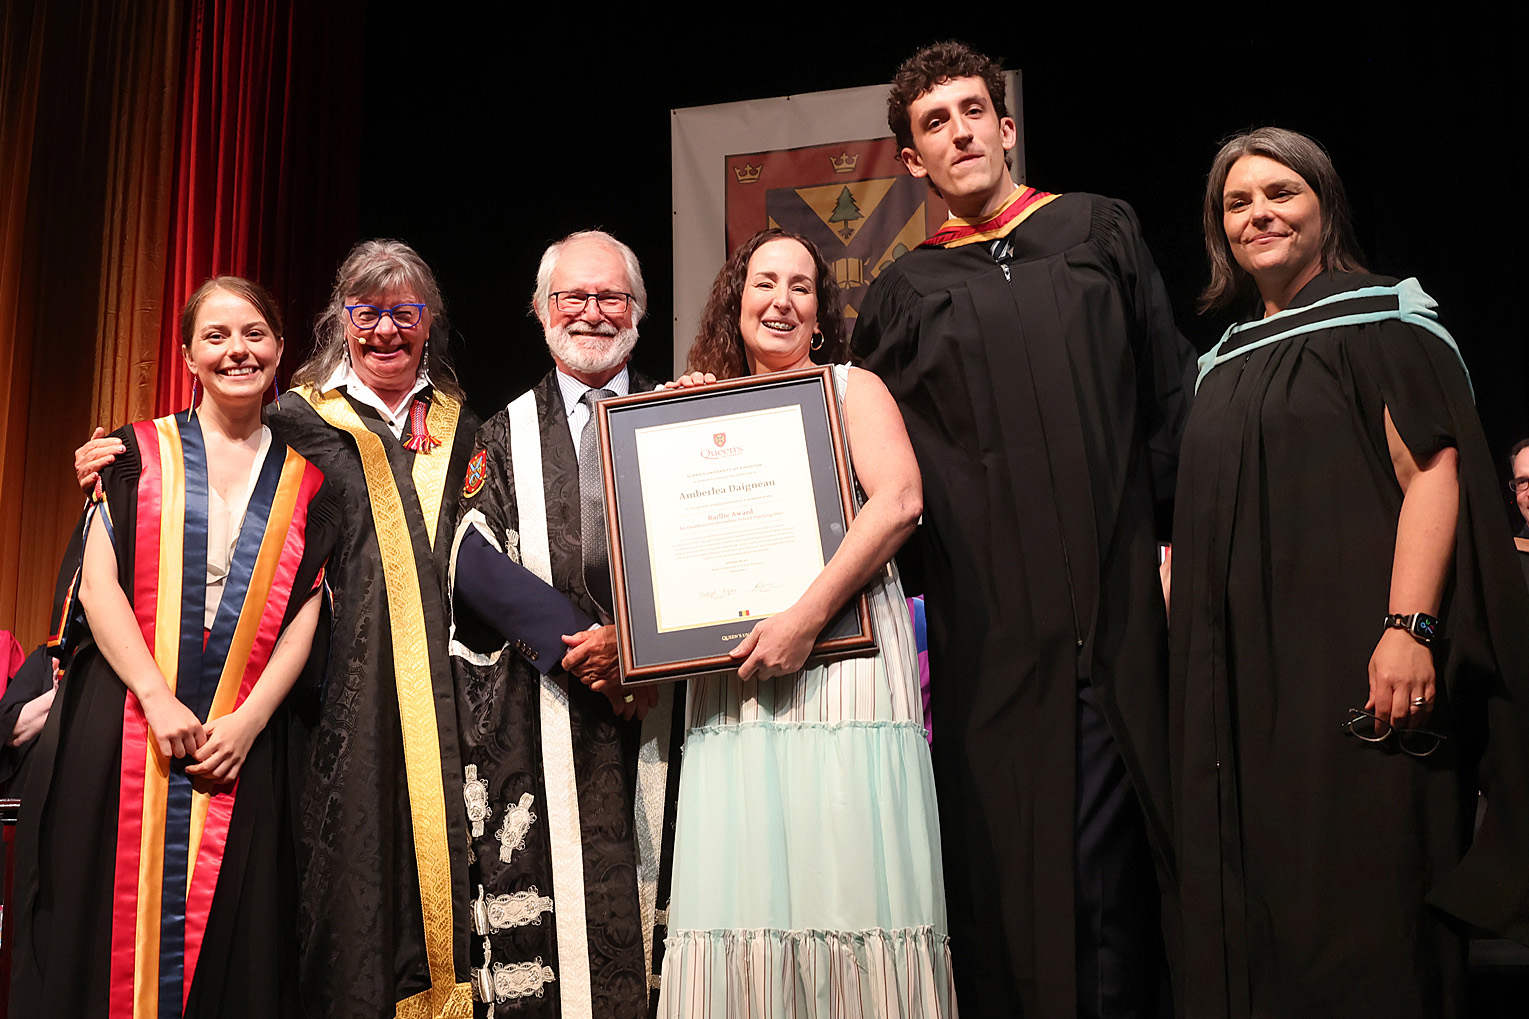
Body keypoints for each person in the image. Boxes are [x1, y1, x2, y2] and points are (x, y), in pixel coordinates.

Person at [850, 42, 1194, 1019]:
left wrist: (1174, 552)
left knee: (1124, 868)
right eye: (932, 123)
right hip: (990, 638)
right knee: (1007, 869)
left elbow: (1166, 402)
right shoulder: (903, 295)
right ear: (911, 160)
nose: (957, 131)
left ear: (1003, 126)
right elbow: (871, 467)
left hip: (1123, 608)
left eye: (971, 111)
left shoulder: (1096, 232)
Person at [1171, 126, 1529, 1017]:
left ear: (1323, 203)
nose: (1259, 212)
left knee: (1363, 912)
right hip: (1244, 692)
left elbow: (1433, 475)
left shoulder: (1380, 320)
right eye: (1237, 202)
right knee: (1260, 910)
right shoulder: (1215, 366)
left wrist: (1407, 630)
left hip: (1361, 670)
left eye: (1280, 192)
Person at [9, 277, 336, 1017]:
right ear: (187, 353)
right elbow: (98, 589)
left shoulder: (307, 481)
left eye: (253, 333)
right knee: (99, 933)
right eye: (215, 336)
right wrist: (156, 700)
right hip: (124, 725)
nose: (236, 350)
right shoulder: (130, 453)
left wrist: (249, 723)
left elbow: (306, 612)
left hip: (236, 743)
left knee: (233, 947)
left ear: (280, 349)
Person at [654, 228, 953, 1018]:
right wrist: (670, 432)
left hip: (843, 665)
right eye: (763, 283)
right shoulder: (700, 404)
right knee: (744, 888)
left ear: (819, 315)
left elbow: (898, 502)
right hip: (738, 675)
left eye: (800, 287)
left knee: (846, 874)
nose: (780, 300)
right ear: (735, 299)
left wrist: (802, 618)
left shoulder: (853, 388)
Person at [448, 229, 679, 1017]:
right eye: (570, 296)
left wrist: (638, 650)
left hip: (667, 714)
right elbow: (473, 562)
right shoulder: (498, 434)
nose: (590, 311)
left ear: (639, 310)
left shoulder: (678, 415)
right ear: (542, 310)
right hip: (547, 713)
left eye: (609, 295)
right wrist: (589, 654)